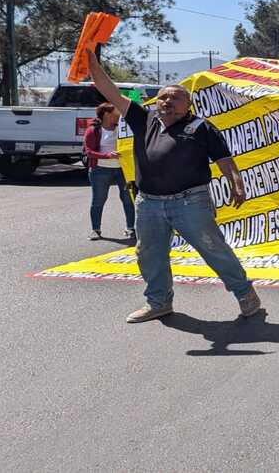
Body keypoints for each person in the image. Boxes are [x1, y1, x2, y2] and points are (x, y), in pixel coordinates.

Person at [85, 48, 261, 324]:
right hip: (149, 203)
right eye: (163, 96)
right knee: (150, 254)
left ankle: (244, 293)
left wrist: (236, 185)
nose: (166, 100)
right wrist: (93, 64)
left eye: (174, 97)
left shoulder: (201, 127)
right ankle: (159, 302)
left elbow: (226, 160)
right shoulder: (143, 118)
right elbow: (109, 91)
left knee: (213, 248)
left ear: (187, 106)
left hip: (190, 201)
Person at [82, 101, 136, 241]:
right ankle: (96, 229)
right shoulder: (93, 130)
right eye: (115, 112)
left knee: (128, 199)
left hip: (123, 169)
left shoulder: (123, 128)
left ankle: (131, 228)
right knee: (98, 200)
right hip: (100, 170)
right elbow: (89, 152)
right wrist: (107, 155)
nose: (118, 114)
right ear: (106, 114)